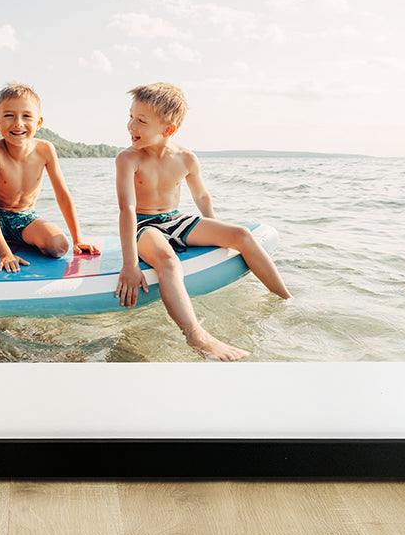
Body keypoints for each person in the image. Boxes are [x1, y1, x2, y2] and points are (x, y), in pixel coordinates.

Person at [115, 82, 290, 361]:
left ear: (168, 130)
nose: (130, 126)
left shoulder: (186, 158)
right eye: (131, 116)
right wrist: (130, 264)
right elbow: (127, 210)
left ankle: (286, 298)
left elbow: (202, 196)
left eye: (141, 121)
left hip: (176, 219)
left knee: (241, 235)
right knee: (168, 262)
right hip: (144, 225)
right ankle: (196, 336)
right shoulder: (127, 158)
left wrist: (215, 233)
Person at [0, 82, 99, 271]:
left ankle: (18, 239)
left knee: (59, 246)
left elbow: (62, 195)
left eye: (26, 116)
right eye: (9, 116)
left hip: (24, 219)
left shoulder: (45, 149)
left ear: (39, 122)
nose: (18, 123)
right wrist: (4, 253)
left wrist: (78, 240)